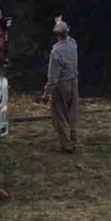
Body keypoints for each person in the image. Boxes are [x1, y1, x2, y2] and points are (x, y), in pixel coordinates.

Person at [42, 18, 79, 153]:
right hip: (74, 82)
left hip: (61, 86)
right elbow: (68, 36)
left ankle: (67, 145)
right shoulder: (73, 44)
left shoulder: (56, 52)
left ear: (56, 35)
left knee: (60, 115)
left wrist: (47, 94)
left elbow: (53, 77)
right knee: (73, 113)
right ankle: (74, 141)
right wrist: (60, 22)